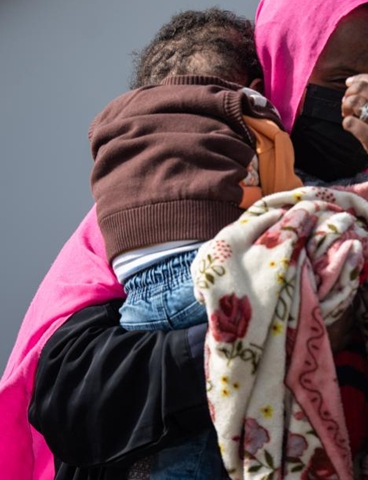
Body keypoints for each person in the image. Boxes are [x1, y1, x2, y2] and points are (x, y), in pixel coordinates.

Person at [0, 1, 368, 479]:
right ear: (282, 75)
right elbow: (75, 401)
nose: (365, 99)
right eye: (338, 80)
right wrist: (268, 333)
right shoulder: (171, 202)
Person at [88, 8, 303, 479]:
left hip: (135, 297)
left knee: (184, 431)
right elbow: (280, 188)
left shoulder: (111, 123)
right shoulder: (240, 105)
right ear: (250, 80)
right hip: (203, 273)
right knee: (229, 413)